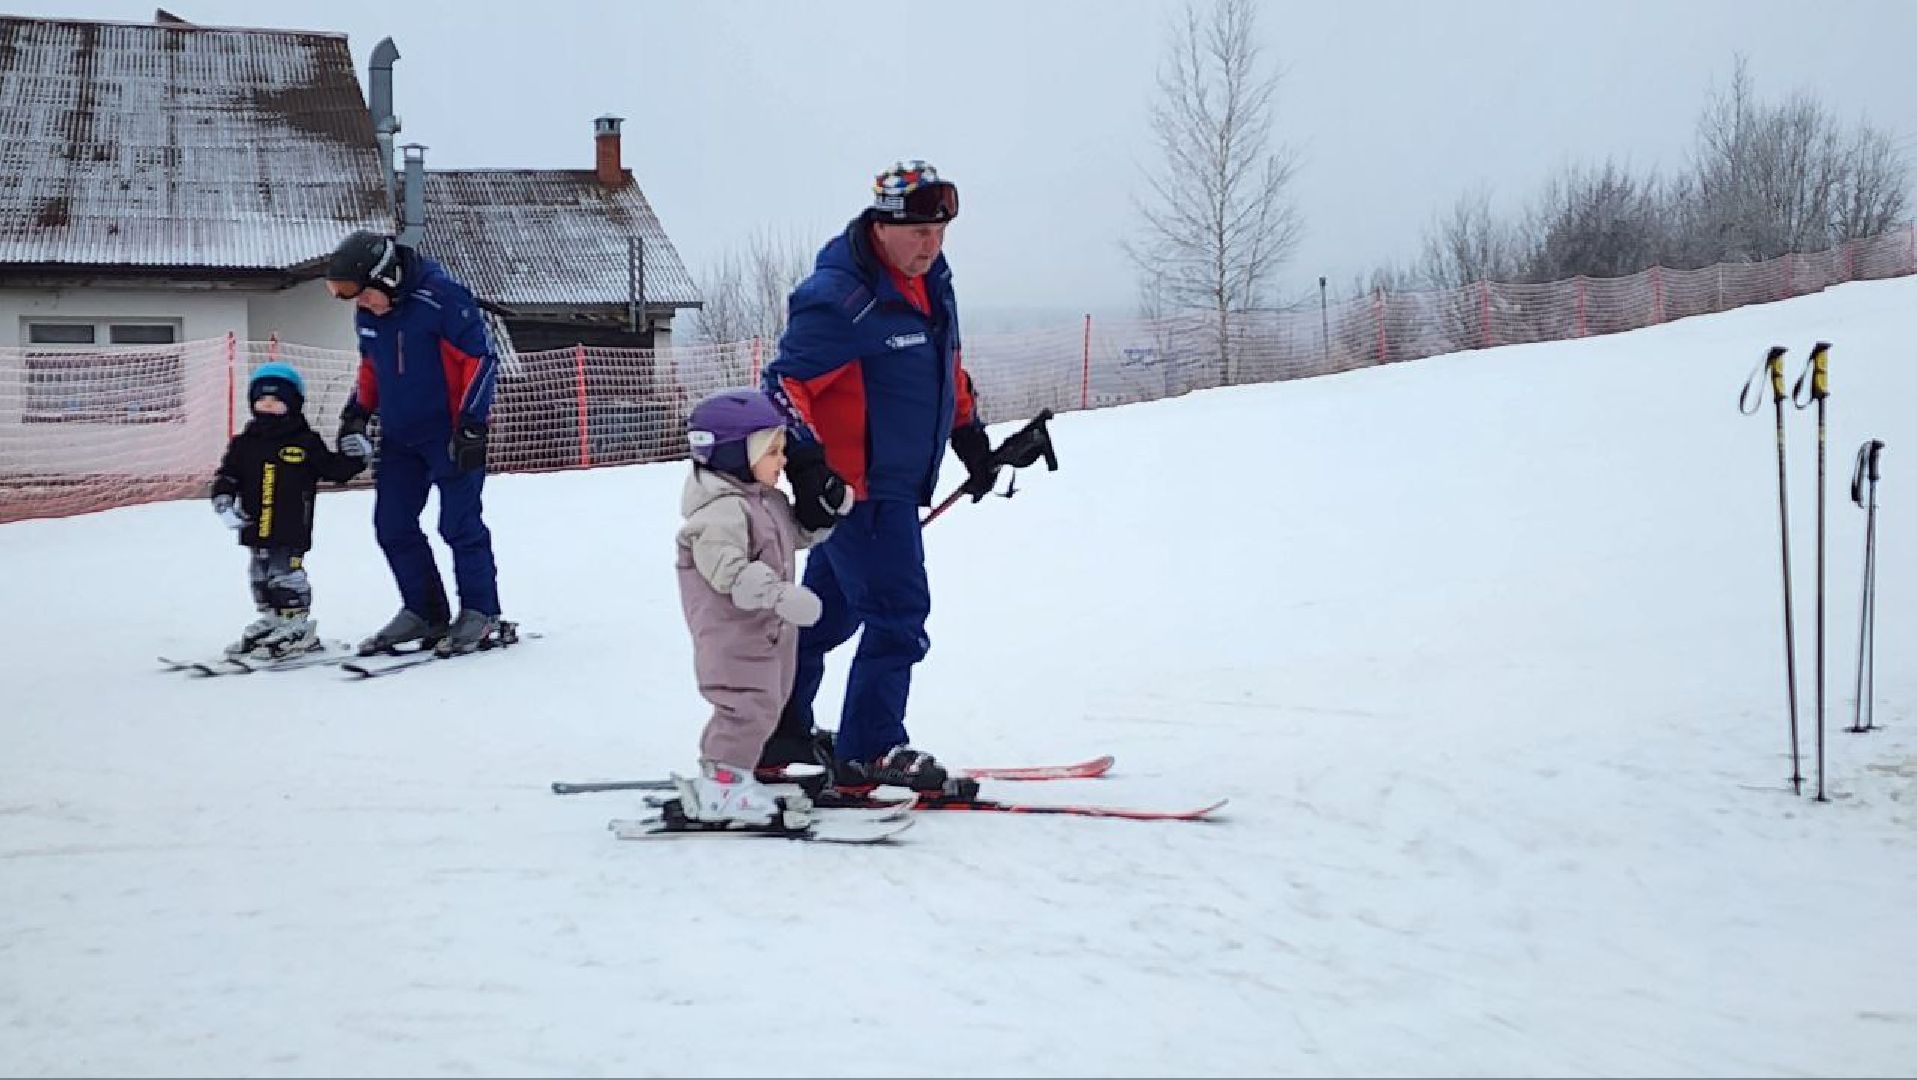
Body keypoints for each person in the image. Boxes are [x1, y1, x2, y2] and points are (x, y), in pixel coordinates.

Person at [757, 160, 1004, 791]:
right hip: (860, 492)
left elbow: (944, 365)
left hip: (891, 480)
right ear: (884, 224)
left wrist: (970, 437)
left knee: (822, 619)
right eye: (920, 231)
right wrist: (808, 462)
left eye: (942, 230)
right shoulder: (844, 299)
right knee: (897, 614)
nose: (932, 244)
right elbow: (784, 382)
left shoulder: (931, 283)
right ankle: (870, 749)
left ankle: (777, 729)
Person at [324, 230, 506, 657]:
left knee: (459, 525)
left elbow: (479, 362)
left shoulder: (443, 299)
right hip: (400, 436)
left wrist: (472, 425)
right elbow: (372, 366)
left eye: (361, 292)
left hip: (449, 433)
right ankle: (425, 612)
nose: (358, 303)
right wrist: (356, 413)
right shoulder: (370, 315)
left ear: (385, 277)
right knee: (392, 525)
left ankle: (481, 612)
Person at [670, 388, 835, 825]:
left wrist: (827, 515)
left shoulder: (766, 501)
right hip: (732, 636)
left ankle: (730, 776)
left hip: (765, 635)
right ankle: (723, 788)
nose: (782, 460)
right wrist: (780, 595)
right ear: (733, 456)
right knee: (744, 707)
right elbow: (729, 572)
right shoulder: (719, 514)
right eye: (772, 450)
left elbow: (792, 536)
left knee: (767, 704)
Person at [210, 362, 370, 658]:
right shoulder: (244, 444)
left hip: (290, 526)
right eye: (261, 400)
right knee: (259, 574)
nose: (268, 406)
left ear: (293, 403)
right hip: (254, 524)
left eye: (276, 401)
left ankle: (295, 622)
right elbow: (228, 474)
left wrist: (356, 457)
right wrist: (223, 498)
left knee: (285, 574)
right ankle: (272, 617)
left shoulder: (305, 442)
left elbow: (335, 470)